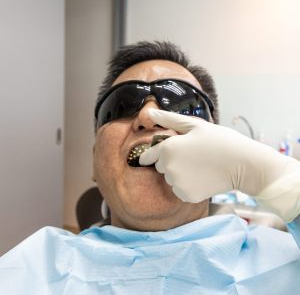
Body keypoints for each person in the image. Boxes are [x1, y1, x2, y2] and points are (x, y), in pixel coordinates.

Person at [1, 41, 300, 294]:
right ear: (94, 160)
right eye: (122, 104)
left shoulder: (285, 260)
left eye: (181, 104)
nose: (148, 116)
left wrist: (284, 182)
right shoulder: (32, 268)